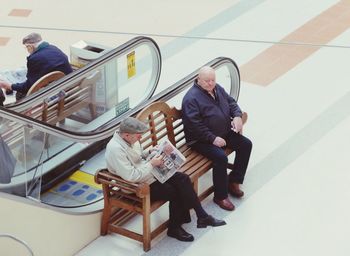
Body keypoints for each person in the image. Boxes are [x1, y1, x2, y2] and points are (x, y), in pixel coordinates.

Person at [105, 117, 226, 242]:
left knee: (183, 179)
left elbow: (139, 156)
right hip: (135, 186)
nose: (140, 138)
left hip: (147, 175)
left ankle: (202, 216)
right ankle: (174, 228)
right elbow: (131, 176)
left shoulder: (130, 139)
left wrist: (151, 152)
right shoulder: (115, 149)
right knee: (174, 191)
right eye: (138, 136)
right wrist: (152, 163)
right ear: (126, 135)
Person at [181, 66, 253, 211]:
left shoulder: (217, 88)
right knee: (220, 157)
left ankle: (234, 181)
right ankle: (220, 196)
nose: (210, 83)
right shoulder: (191, 98)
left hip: (224, 132)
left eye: (213, 80)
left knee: (246, 144)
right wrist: (212, 138)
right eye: (207, 80)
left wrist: (237, 116)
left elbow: (231, 103)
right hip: (201, 140)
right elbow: (194, 125)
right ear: (198, 79)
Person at [0, 32, 73, 101]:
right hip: (68, 87)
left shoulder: (35, 58)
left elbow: (28, 87)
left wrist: (10, 86)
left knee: (20, 94)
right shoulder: (53, 48)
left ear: (30, 46)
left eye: (26, 47)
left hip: (57, 96)